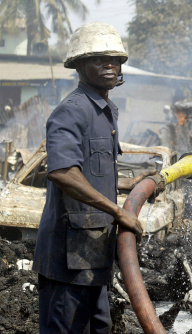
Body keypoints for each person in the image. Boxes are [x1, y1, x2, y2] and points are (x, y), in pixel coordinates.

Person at [32, 22, 151, 333]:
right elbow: (63, 173)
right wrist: (118, 211)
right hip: (67, 260)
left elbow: (94, 173)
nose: (109, 66)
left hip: (93, 257)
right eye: (99, 59)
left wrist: (134, 183)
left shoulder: (105, 111)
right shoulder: (71, 111)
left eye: (114, 60)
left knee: (98, 328)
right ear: (79, 65)